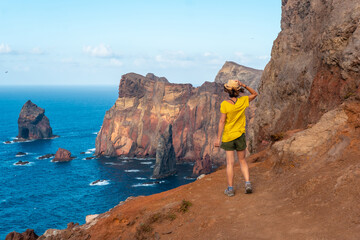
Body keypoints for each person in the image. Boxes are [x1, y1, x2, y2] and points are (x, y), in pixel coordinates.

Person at [214, 79, 258, 197]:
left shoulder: (224, 104)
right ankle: (247, 183)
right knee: (242, 161)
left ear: (227, 91)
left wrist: (218, 138)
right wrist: (244, 85)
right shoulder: (243, 100)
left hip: (228, 137)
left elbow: (222, 121)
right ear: (238, 91)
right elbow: (255, 94)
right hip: (240, 135)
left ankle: (230, 189)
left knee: (230, 163)